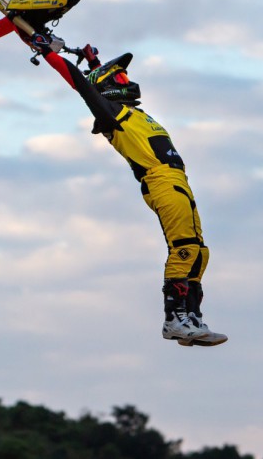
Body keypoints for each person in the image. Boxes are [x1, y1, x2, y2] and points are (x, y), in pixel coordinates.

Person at [29, 32, 227, 347]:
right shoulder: (110, 114)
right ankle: (173, 320)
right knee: (184, 248)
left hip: (179, 182)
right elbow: (82, 84)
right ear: (108, 86)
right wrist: (49, 53)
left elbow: (93, 76)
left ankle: (191, 317)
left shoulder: (134, 112)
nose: (125, 80)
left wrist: (94, 60)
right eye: (119, 76)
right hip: (160, 180)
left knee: (200, 253)